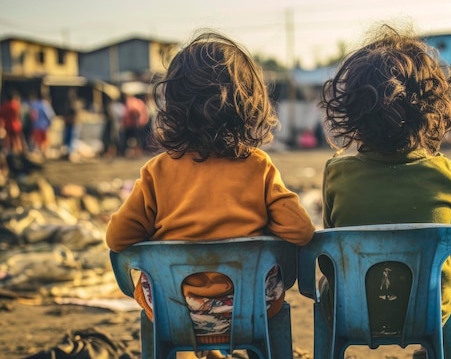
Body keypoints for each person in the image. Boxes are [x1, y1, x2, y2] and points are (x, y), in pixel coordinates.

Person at [105, 31, 316, 359]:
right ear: (248, 105)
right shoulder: (258, 167)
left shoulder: (157, 172)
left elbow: (117, 239)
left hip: (175, 309)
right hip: (252, 308)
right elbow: (302, 231)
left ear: (173, 106)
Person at [318, 25, 451, 359]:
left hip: (351, 312)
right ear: (429, 111)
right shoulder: (443, 173)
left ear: (353, 114)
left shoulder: (336, 173)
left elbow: (328, 253)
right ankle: (438, 347)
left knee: (326, 287)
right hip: (429, 311)